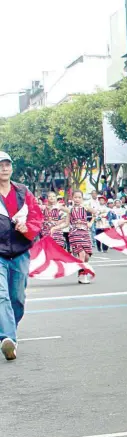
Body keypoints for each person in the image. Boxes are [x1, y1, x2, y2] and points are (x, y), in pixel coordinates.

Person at [0, 152, 43, 361]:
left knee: (17, 298)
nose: (4, 168)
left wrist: (27, 228)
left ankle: (10, 331)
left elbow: (37, 217)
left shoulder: (23, 192)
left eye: (7, 164)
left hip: (20, 252)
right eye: (0, 165)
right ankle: (8, 338)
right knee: (2, 295)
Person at [62, 190, 95, 284]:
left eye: (79, 197)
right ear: (72, 198)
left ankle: (81, 271)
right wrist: (55, 228)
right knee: (82, 254)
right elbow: (66, 223)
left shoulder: (85, 208)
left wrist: (91, 222)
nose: (77, 199)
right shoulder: (70, 209)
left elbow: (95, 212)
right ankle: (83, 275)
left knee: (87, 256)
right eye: (75, 197)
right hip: (74, 234)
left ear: (82, 198)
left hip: (85, 233)